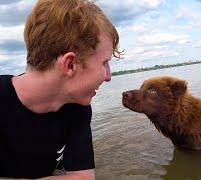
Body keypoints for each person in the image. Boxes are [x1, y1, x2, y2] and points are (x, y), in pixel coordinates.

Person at [0, 0, 121, 179]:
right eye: (105, 63)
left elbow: (83, 177)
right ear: (70, 64)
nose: (108, 76)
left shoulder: (77, 107)